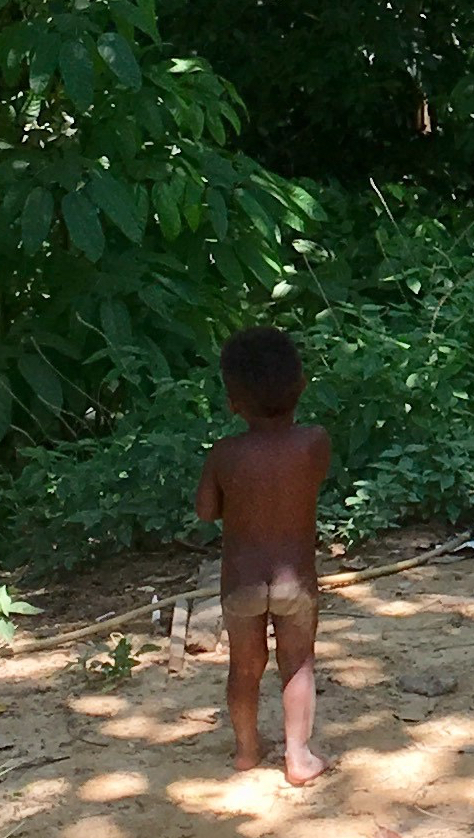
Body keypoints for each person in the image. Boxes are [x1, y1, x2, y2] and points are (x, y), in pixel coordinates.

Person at [195, 327, 333, 786]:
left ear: (233, 400)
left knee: (244, 666)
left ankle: (247, 750)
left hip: (241, 582)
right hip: (296, 581)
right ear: (301, 385)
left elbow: (205, 512)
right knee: (297, 662)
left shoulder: (225, 454)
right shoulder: (314, 442)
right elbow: (311, 481)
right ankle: (298, 756)